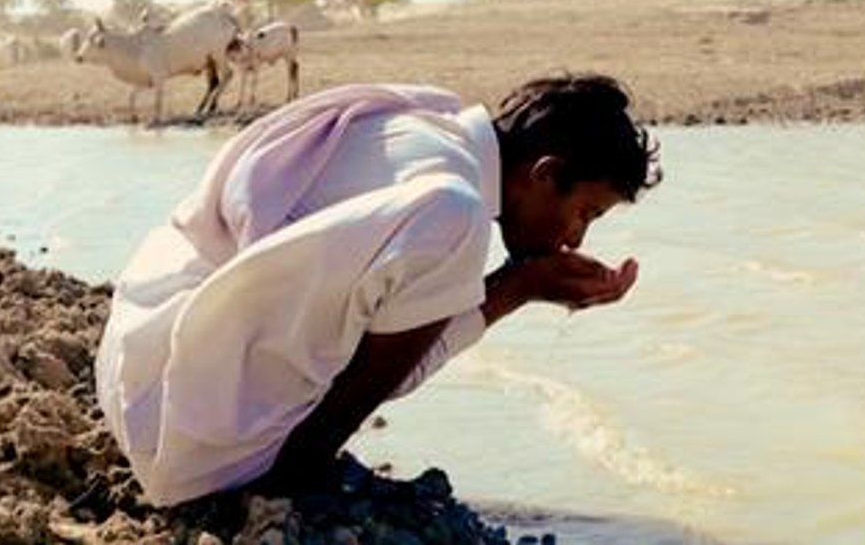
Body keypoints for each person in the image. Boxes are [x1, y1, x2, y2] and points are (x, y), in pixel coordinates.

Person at [95, 74, 662, 505]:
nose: (575, 238)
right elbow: (370, 388)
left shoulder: (418, 116)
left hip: (130, 362)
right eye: (585, 213)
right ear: (544, 175)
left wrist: (520, 282)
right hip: (181, 447)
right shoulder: (453, 211)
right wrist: (515, 289)